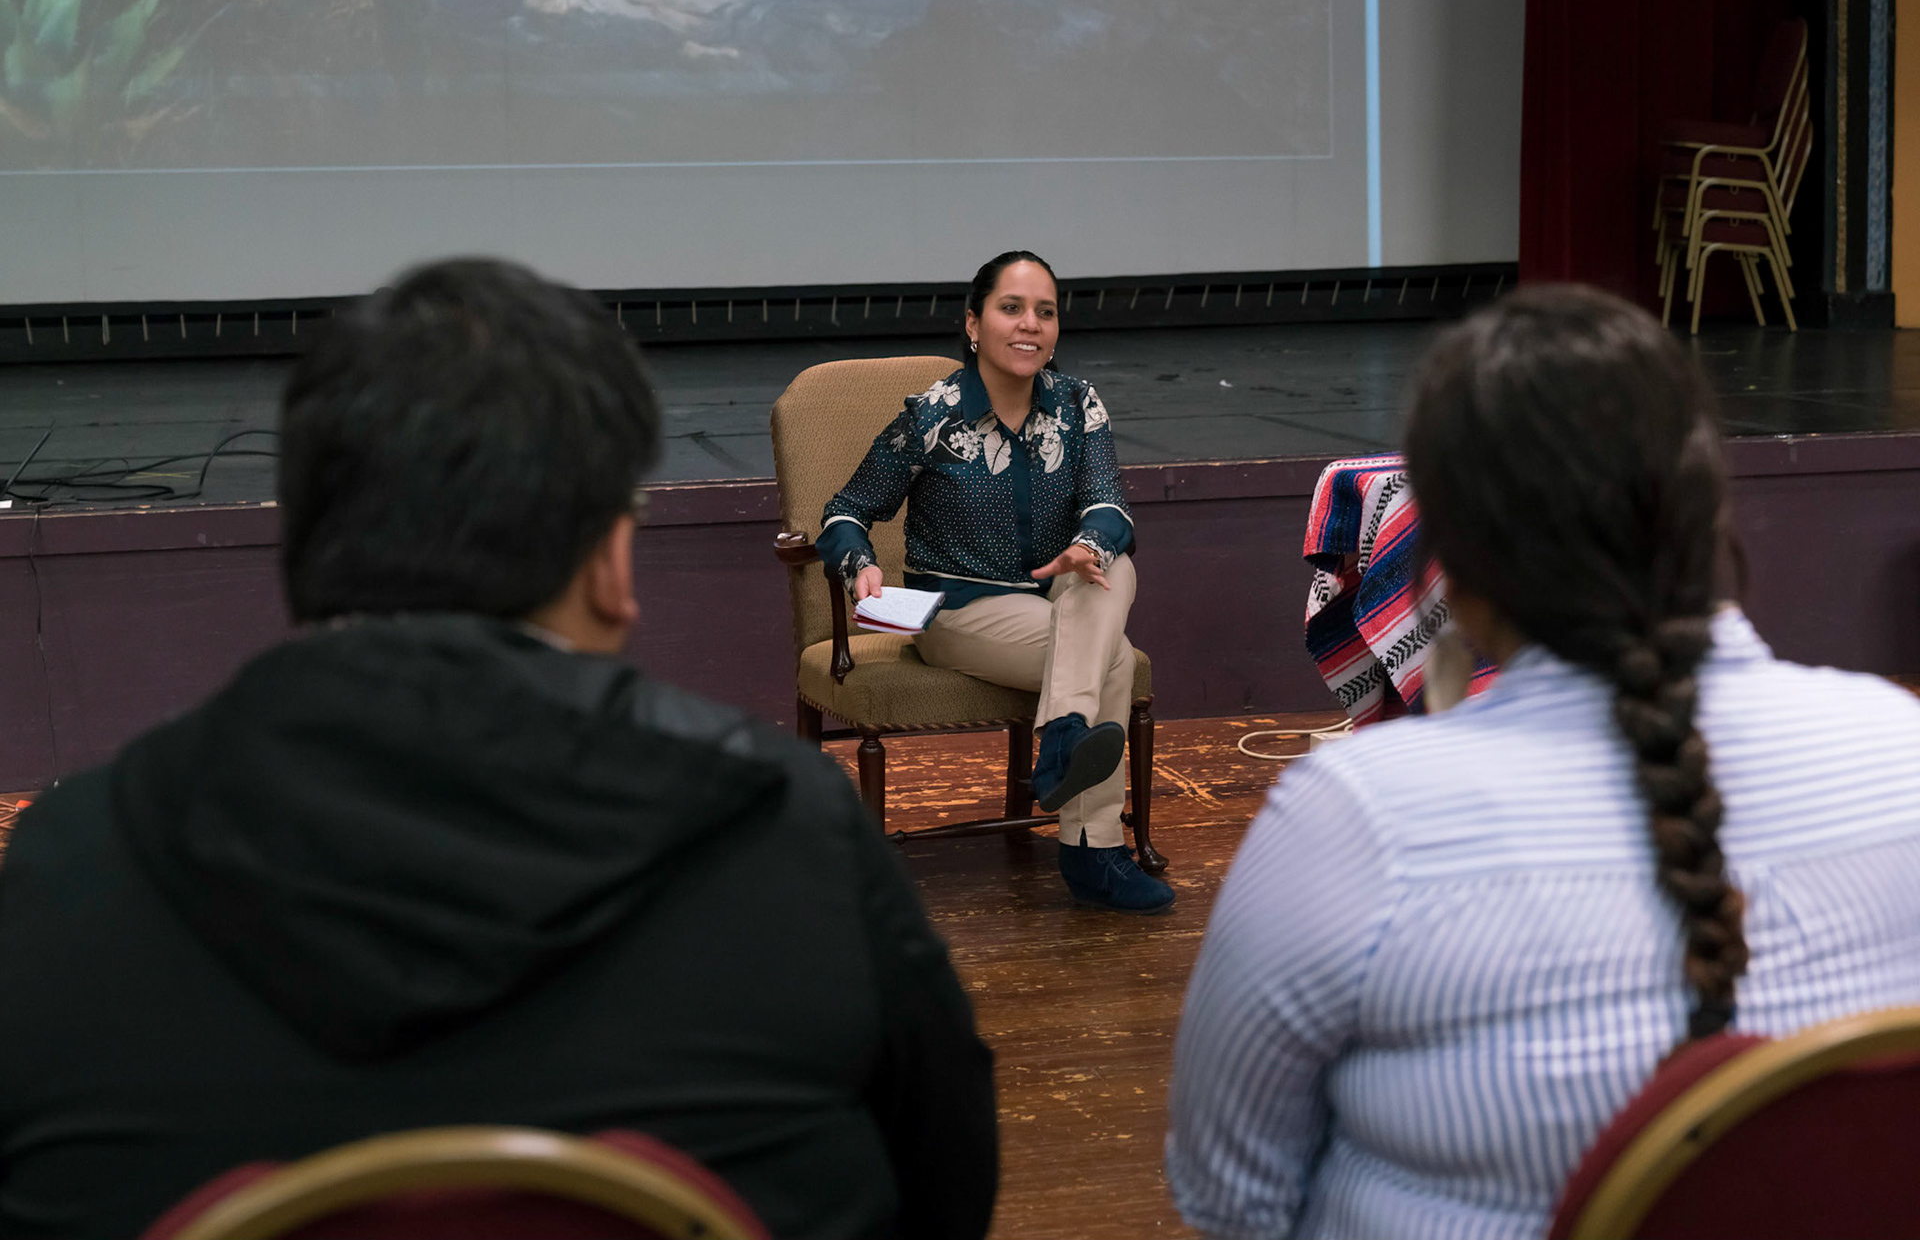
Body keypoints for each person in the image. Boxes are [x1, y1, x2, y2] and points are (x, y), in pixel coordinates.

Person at [0, 259, 997, 1240]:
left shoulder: (68, 866)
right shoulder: (793, 835)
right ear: (612, 563)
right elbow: (946, 1191)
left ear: (305, 553)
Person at [1165, 286, 1920, 1240]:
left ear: (1444, 570)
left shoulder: (1359, 821)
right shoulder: (1900, 749)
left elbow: (1230, 1198)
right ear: (1705, 513)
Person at [817, 250, 1173, 915]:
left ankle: (1064, 737)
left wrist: (1086, 546)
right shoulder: (933, 415)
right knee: (1115, 657)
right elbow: (844, 509)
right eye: (1012, 308)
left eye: (1045, 311)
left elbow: (1108, 503)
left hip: (1059, 598)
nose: (1029, 324)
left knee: (1112, 562)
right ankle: (1093, 853)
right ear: (974, 324)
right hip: (956, 610)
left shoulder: (1077, 402)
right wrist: (858, 564)